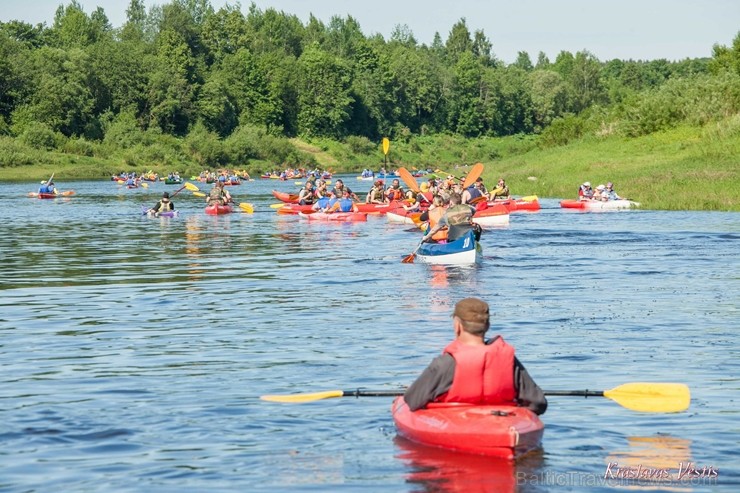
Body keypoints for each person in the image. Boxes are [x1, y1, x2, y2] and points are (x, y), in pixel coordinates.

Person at [403, 297, 548, 415]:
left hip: (456, 425)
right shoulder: (509, 361)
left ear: (457, 325)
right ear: (487, 325)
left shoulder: (445, 363)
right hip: (500, 425)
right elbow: (538, 403)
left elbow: (412, 400)